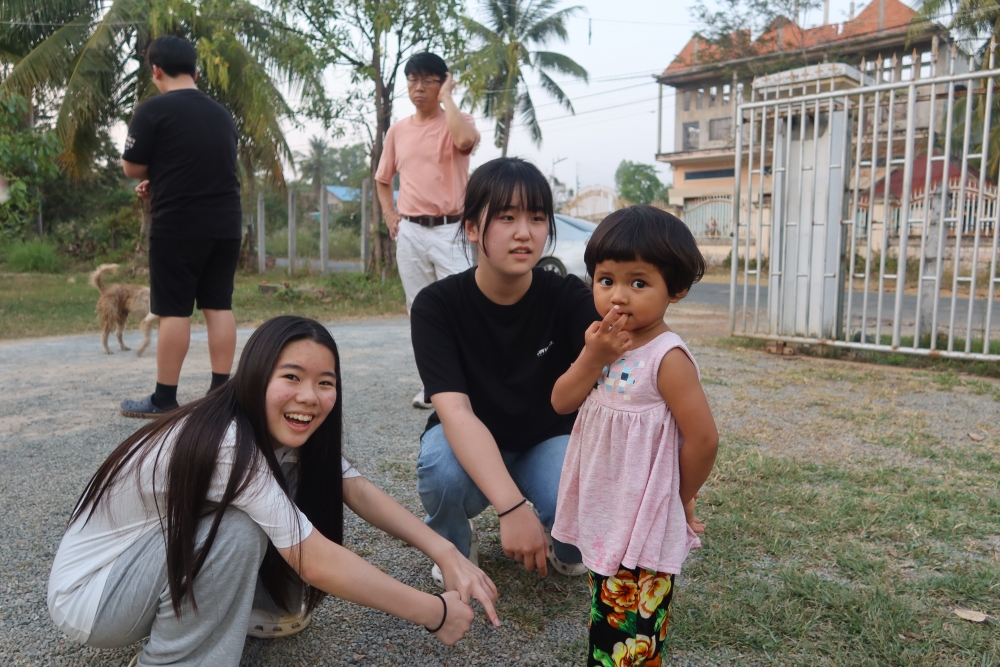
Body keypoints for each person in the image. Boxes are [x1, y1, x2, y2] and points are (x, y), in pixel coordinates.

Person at [48, 316, 499, 667]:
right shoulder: (226, 442)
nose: (310, 396)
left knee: (295, 482)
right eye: (292, 377)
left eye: (326, 382)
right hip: (95, 598)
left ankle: (253, 610)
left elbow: (356, 489)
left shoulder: (274, 433)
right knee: (238, 528)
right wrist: (433, 612)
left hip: (137, 574)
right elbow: (316, 561)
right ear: (256, 375)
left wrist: (445, 552)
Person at [410, 157, 600, 586]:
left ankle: (560, 537)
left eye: (536, 217)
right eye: (507, 217)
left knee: (578, 525)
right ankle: (454, 546)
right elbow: (455, 413)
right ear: (474, 229)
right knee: (442, 472)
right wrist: (512, 510)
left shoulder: (567, 296)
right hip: (469, 440)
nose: (524, 232)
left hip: (547, 441)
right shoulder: (436, 306)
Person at [550, 206, 719, 667]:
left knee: (631, 644)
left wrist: (678, 497)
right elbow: (561, 401)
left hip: (641, 521)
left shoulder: (668, 359)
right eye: (606, 280)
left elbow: (703, 439)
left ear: (676, 289)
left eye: (638, 283)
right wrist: (591, 357)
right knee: (606, 622)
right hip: (607, 515)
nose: (618, 297)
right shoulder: (602, 342)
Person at [119, 35, 242, 418]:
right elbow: (200, 164)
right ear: (196, 70)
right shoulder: (222, 114)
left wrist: (152, 175)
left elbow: (131, 166)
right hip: (226, 223)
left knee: (175, 310)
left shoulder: (153, 110)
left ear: (155, 70)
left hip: (178, 226)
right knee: (218, 305)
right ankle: (222, 394)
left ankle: (164, 399)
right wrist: (161, 178)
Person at [375, 51, 480, 410]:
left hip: (452, 228)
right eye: (413, 80)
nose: (419, 87)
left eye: (428, 80)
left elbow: (466, 142)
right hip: (412, 232)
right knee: (419, 308)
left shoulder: (457, 120)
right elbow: (383, 180)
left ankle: (468, 383)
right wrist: (391, 215)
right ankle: (432, 384)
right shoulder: (398, 130)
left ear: (442, 82)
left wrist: (448, 96)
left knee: (463, 305)